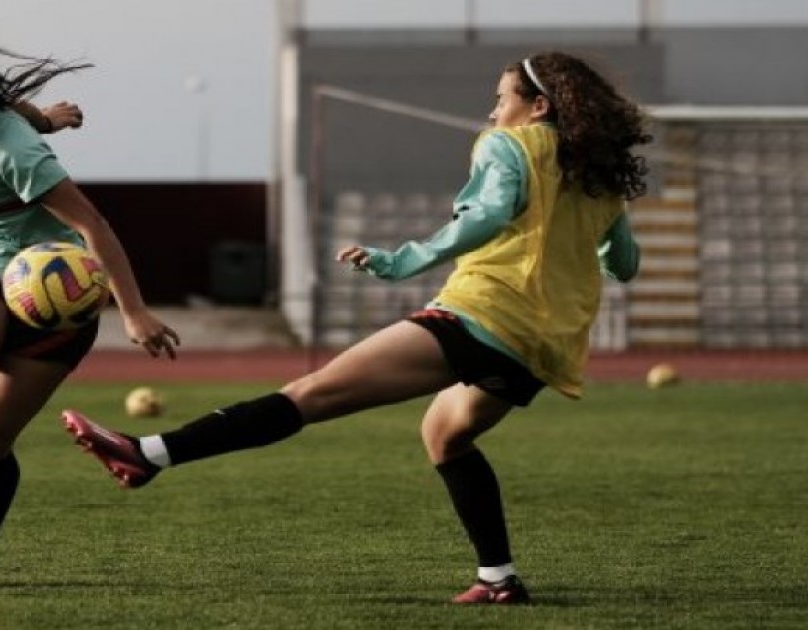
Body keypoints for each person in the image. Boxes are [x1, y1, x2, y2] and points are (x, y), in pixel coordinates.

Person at [62, 50, 647, 605]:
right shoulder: (601, 179)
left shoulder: (509, 144)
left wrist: (401, 261)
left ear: (538, 106)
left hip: (485, 314)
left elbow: (488, 216)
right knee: (446, 437)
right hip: (540, 349)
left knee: (309, 394)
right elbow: (624, 264)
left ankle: (150, 454)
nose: (493, 111)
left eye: (501, 98)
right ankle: (498, 578)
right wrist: (575, 244)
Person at [0, 23, 180, 588]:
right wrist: (47, 117)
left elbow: (92, 224)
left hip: (56, 305)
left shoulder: (10, 150)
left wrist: (132, 310)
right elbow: (11, 106)